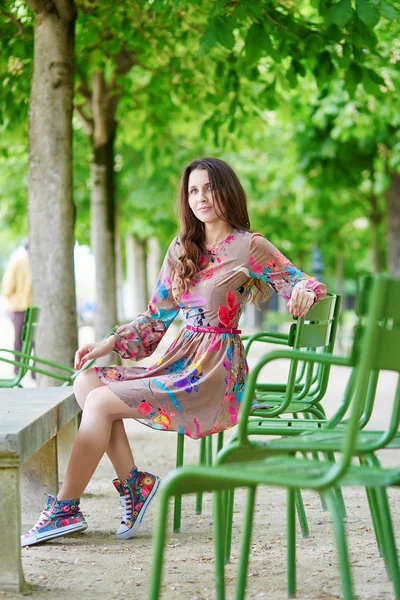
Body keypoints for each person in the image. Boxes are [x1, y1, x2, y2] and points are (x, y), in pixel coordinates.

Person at [21, 157, 327, 547]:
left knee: (98, 404)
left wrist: (304, 291)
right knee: (88, 381)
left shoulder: (251, 247)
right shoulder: (183, 248)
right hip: (181, 359)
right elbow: (156, 318)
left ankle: (66, 506)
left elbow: (307, 285)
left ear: (226, 191)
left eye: (209, 188)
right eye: (193, 190)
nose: (200, 198)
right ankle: (134, 483)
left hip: (215, 371)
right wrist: (109, 343)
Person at [1, 239, 34, 377]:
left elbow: (7, 288)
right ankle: (34, 372)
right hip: (35, 308)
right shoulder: (39, 265)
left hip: (20, 308)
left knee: (18, 339)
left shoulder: (17, 263)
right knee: (34, 340)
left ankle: (18, 370)